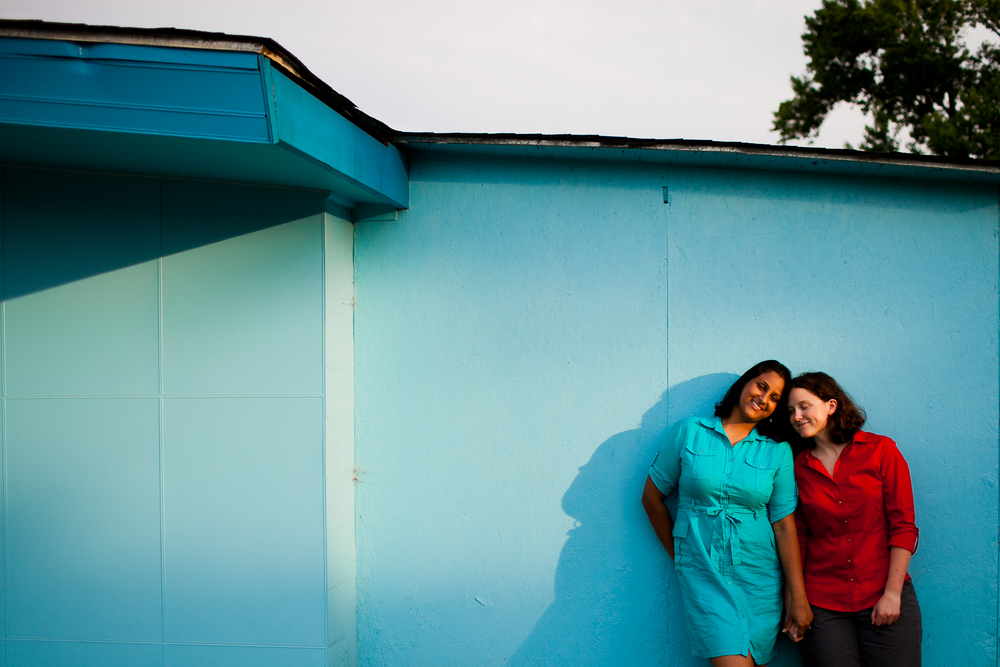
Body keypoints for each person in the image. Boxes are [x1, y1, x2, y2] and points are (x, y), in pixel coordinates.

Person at [641, 360, 812, 667]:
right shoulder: (689, 432)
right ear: (745, 384)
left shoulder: (777, 451)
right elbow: (652, 499)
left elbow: (785, 527)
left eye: (775, 398)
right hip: (703, 572)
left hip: (758, 575)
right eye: (762, 386)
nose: (764, 399)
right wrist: (682, 557)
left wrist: (797, 597)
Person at [787, 372, 921, 667]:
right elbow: (798, 539)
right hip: (823, 604)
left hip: (883, 593)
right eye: (791, 411)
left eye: (805, 406)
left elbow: (903, 526)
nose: (797, 416)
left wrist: (892, 594)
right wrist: (794, 602)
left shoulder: (880, 451)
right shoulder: (796, 469)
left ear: (831, 406)